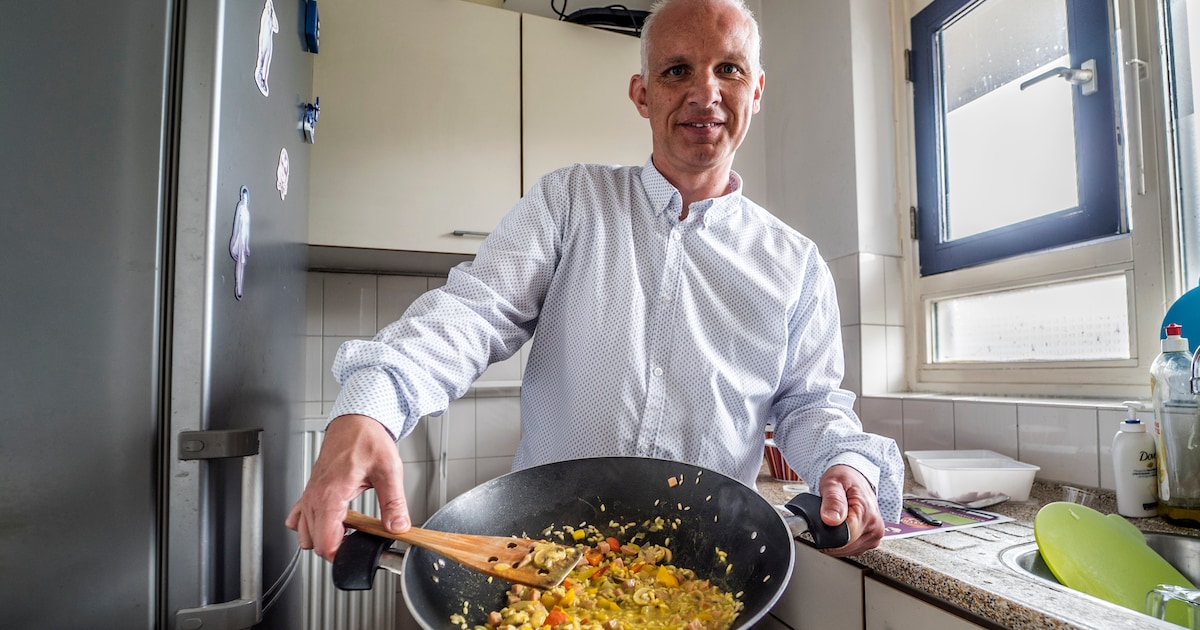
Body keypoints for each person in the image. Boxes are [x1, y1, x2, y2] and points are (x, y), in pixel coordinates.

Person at [287, 0, 904, 561]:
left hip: (704, 567)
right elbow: (472, 313)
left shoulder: (796, 265)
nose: (705, 93)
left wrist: (842, 462)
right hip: (548, 561)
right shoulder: (569, 202)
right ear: (641, 94)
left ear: (757, 90)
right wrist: (370, 409)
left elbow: (810, 404)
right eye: (677, 71)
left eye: (730, 70)